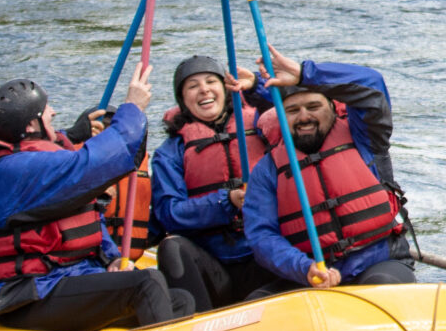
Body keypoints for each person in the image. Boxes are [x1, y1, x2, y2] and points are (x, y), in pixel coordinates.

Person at [0, 75, 197, 331]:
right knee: (147, 282)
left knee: (180, 301)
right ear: (31, 125)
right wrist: (132, 107)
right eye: (46, 109)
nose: (53, 112)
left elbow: (87, 218)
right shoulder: (14, 170)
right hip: (27, 296)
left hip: (65, 279)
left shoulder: (34, 159)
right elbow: (94, 163)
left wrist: (110, 260)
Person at [243, 59, 416, 291]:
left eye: (313, 107)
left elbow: (371, 83)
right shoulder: (267, 169)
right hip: (311, 274)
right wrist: (305, 268)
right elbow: (262, 235)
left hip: (379, 263)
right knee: (258, 300)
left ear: (333, 108)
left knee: (381, 286)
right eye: (292, 110)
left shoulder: (365, 137)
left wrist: (306, 74)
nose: (304, 117)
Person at [148, 54, 288, 308]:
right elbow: (170, 213)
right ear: (183, 99)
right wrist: (227, 201)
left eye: (211, 81)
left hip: (265, 252)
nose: (204, 90)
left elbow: (290, 113)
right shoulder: (169, 153)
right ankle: (197, 322)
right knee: (173, 247)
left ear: (225, 89)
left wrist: (256, 87)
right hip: (213, 265)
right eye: (193, 86)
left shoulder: (260, 124)